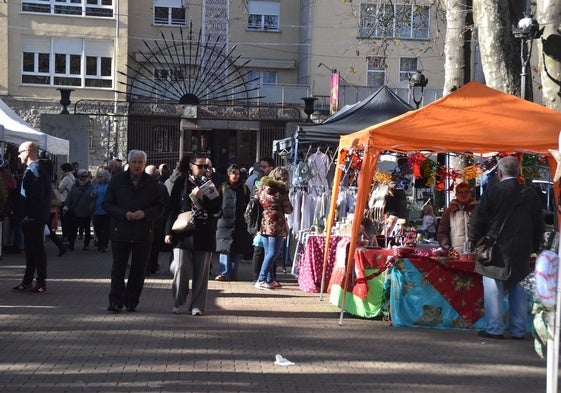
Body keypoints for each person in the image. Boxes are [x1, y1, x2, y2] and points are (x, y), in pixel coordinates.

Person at [469, 156, 545, 340]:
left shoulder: (492, 191)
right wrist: (535, 246)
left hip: (495, 248)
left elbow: (477, 220)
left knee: (493, 287)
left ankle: (494, 328)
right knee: (519, 287)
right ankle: (518, 329)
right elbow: (539, 223)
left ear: (500, 172)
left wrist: (475, 242)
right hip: (522, 248)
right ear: (518, 172)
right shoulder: (530, 194)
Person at [103, 150, 165, 313]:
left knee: (139, 269)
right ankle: (115, 301)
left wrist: (145, 213)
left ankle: (131, 300)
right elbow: (107, 204)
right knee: (118, 268)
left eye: (140, 162)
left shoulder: (152, 183)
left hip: (143, 232)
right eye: (134, 162)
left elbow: (160, 207)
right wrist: (124, 214)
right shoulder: (117, 180)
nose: (137, 165)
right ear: (128, 163)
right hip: (121, 231)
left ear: (145, 164)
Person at [164, 153, 220, 315]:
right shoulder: (181, 182)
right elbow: (172, 208)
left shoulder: (210, 184)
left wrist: (204, 197)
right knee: (180, 268)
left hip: (204, 232)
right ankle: (178, 300)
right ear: (191, 165)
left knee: (201, 273)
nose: (203, 169)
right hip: (183, 232)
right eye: (200, 166)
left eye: (206, 166)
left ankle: (197, 305)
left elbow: (217, 208)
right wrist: (168, 231)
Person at [13, 141, 51, 294]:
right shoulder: (33, 169)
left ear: (28, 151)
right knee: (31, 251)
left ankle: (41, 282)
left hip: (34, 218)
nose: (18, 155)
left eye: (20, 151)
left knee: (36, 250)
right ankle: (28, 281)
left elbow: (36, 197)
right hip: (31, 218)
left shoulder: (35, 170)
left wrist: (31, 216)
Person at [254, 166, 293, 290]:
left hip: (264, 222)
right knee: (273, 253)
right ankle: (261, 279)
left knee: (268, 253)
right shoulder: (281, 190)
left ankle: (270, 279)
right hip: (276, 223)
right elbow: (288, 209)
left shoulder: (262, 188)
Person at [215, 164, 252, 281]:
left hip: (238, 223)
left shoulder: (244, 188)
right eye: (233, 173)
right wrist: (219, 214)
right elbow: (216, 202)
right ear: (228, 174)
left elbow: (248, 204)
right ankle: (224, 273)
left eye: (237, 173)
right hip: (224, 223)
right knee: (224, 248)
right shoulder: (222, 187)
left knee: (236, 250)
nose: (236, 176)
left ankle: (233, 273)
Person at [437, 182, 477, 252]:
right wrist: (448, 249)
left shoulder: (478, 210)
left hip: (476, 253)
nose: (463, 194)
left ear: (470, 194)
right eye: (460, 192)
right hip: (456, 254)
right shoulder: (449, 212)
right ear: (456, 195)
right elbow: (442, 233)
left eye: (466, 192)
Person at [145, 164, 169, 275]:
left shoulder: (144, 186)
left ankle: (147, 266)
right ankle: (153, 265)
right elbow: (166, 204)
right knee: (154, 245)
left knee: (147, 244)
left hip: (147, 219)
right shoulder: (162, 187)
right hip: (157, 219)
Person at [63, 169, 94, 251]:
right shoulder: (74, 186)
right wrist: (66, 206)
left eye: (86, 176)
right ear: (79, 176)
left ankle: (86, 245)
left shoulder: (90, 186)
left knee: (87, 229)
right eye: (82, 176)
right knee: (73, 229)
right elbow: (70, 197)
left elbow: (93, 198)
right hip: (76, 211)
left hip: (87, 211)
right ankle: (71, 244)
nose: (84, 178)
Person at [92, 169, 111, 252]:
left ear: (105, 177)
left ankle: (104, 245)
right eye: (98, 176)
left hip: (106, 210)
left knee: (106, 229)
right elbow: (91, 195)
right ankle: (100, 242)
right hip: (97, 210)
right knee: (97, 228)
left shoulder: (109, 186)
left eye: (101, 176)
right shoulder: (96, 185)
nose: (99, 178)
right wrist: (93, 194)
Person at [58, 162, 75, 245]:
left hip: (65, 201)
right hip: (71, 201)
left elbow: (60, 189)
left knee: (64, 221)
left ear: (65, 170)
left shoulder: (66, 178)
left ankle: (65, 237)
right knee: (69, 220)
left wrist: (60, 180)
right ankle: (69, 238)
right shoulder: (72, 177)